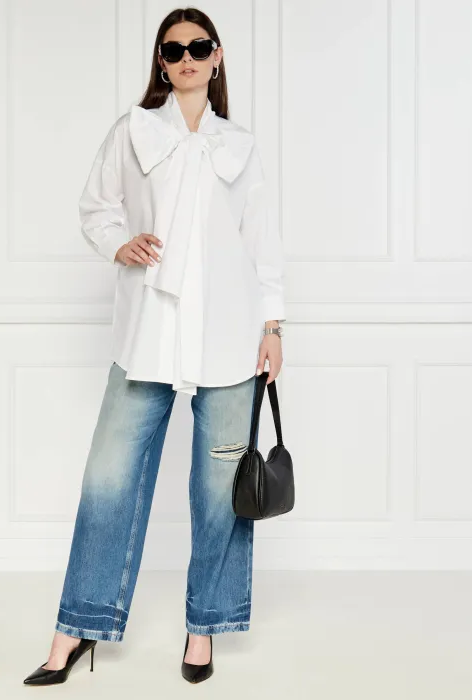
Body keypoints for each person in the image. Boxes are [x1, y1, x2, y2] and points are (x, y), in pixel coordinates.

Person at [23, 6, 286, 687]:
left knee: (219, 489)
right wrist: (120, 243)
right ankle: (78, 627)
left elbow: (262, 244)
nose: (187, 58)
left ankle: (205, 627)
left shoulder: (241, 146)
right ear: (161, 62)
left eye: (199, 47)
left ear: (217, 56)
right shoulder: (133, 131)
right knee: (108, 478)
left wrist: (273, 327)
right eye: (174, 50)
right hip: (149, 334)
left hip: (229, 334)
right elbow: (96, 208)